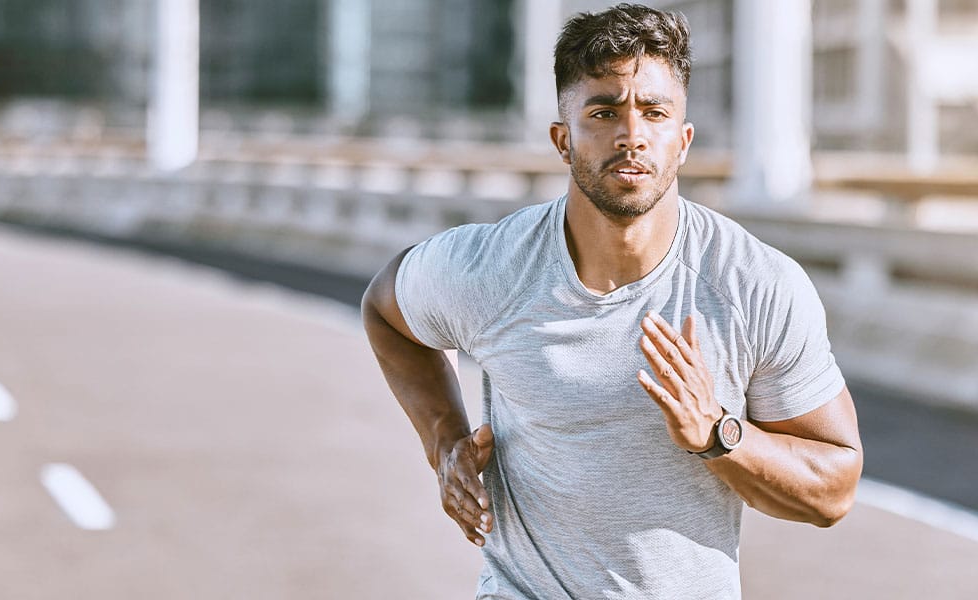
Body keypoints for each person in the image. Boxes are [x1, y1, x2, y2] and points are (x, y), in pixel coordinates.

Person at [360, 3, 863, 598]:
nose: (631, 135)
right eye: (603, 112)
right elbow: (385, 311)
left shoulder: (753, 285)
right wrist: (445, 442)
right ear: (562, 140)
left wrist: (718, 434)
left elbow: (833, 488)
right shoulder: (493, 268)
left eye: (654, 112)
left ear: (682, 140)